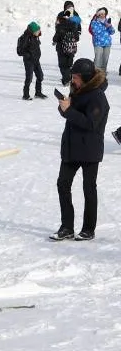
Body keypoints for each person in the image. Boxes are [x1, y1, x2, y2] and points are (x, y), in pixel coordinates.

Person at [50, 59, 109, 242]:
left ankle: (88, 229)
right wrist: (64, 106)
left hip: (89, 149)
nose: (72, 80)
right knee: (63, 184)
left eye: (75, 77)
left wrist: (69, 111)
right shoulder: (77, 90)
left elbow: (91, 123)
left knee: (88, 188)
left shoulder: (98, 97)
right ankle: (67, 227)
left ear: (84, 78)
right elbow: (71, 114)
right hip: (71, 148)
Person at [17, 22, 47, 101]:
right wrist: (28, 55)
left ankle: (38, 93)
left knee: (40, 76)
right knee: (29, 78)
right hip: (29, 61)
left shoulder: (35, 36)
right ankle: (25, 95)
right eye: (37, 30)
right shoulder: (24, 38)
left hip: (36, 60)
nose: (39, 32)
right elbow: (19, 51)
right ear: (32, 31)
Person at [53, 10, 80, 86]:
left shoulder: (60, 26)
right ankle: (69, 78)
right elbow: (77, 38)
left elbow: (56, 38)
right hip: (71, 48)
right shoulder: (74, 25)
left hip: (61, 49)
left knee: (62, 65)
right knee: (69, 64)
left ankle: (66, 80)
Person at [89, 8, 115, 73]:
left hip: (107, 43)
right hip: (98, 44)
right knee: (98, 60)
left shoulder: (106, 21)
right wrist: (105, 26)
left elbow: (112, 32)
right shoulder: (94, 22)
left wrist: (110, 26)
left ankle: (103, 75)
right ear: (98, 15)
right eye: (101, 14)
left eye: (104, 14)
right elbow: (96, 32)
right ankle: (96, 75)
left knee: (105, 60)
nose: (102, 15)